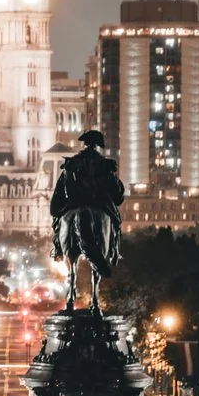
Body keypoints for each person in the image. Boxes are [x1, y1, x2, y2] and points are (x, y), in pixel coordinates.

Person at [49, 131, 125, 310]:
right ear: (98, 145)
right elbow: (117, 194)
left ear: (85, 144)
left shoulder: (72, 164)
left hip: (75, 204)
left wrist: (59, 208)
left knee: (60, 221)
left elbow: (61, 191)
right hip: (100, 205)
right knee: (114, 222)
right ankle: (113, 251)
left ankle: (58, 248)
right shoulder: (106, 165)